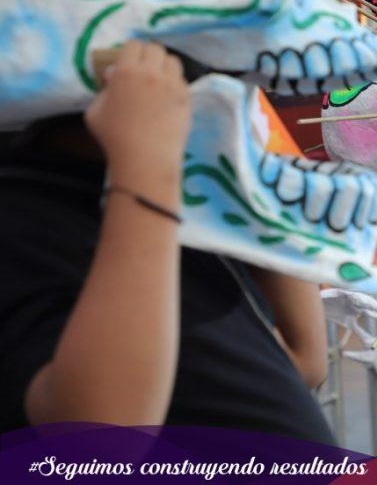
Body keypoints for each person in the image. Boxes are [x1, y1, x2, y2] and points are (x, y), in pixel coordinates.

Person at [0, 42, 333, 442]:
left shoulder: (178, 202)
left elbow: (304, 359)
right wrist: (145, 166)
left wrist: (247, 172)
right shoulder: (34, 211)